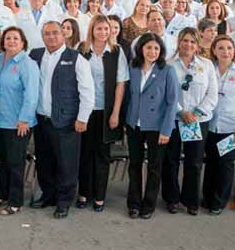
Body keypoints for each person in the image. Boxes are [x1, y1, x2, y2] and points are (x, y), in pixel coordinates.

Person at [29, 21, 95, 219]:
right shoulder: (35, 55)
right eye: (47, 33)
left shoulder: (76, 58)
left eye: (55, 33)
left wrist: (82, 118)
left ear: (63, 35)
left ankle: (64, 201)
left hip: (67, 121)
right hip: (41, 119)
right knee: (44, 161)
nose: (51, 37)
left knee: (67, 164)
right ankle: (48, 196)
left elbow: (87, 91)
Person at [163, 27, 218, 216]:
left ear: (197, 45)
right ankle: (172, 199)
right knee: (171, 161)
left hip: (198, 120)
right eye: (185, 40)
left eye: (192, 41)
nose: (188, 44)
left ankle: (190, 200)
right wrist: (181, 111)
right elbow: (167, 93)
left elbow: (212, 94)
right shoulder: (169, 65)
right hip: (174, 119)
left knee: (194, 162)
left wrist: (196, 113)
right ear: (179, 42)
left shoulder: (207, 65)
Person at [76, 15, 128, 212]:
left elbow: (120, 83)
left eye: (106, 28)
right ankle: (84, 193)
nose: (103, 32)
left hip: (106, 111)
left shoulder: (116, 51)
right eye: (99, 28)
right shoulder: (82, 49)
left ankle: (99, 196)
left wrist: (115, 113)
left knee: (102, 155)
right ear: (92, 30)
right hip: (85, 110)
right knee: (84, 153)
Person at [126, 34, 178, 219]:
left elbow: (172, 102)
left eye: (156, 48)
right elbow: (128, 96)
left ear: (161, 51)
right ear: (141, 48)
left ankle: (148, 205)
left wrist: (166, 130)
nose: (152, 52)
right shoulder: (133, 67)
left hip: (156, 126)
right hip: (134, 123)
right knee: (134, 165)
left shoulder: (167, 70)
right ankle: (133, 203)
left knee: (155, 167)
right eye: (149, 47)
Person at [0, 27, 39, 215]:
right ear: (3, 41)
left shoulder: (27, 64)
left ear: (23, 43)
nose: (11, 41)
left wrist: (24, 119)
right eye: (8, 38)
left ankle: (15, 200)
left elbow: (31, 94)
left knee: (15, 162)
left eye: (15, 38)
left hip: (18, 123)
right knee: (2, 160)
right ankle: (3, 194)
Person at [201, 35, 235, 214]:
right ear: (214, 50)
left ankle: (219, 201)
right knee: (211, 162)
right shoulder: (207, 69)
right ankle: (207, 197)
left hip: (230, 127)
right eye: (221, 48)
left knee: (225, 164)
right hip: (209, 125)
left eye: (229, 48)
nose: (225, 52)